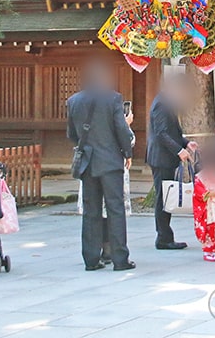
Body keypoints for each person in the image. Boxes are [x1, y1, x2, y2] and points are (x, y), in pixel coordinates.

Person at [67, 60, 136, 272]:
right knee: (115, 210)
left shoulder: (73, 101)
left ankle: (90, 259)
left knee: (91, 212)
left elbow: (71, 134)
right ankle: (119, 259)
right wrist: (128, 152)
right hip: (110, 161)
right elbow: (120, 130)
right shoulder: (113, 99)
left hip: (88, 162)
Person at [147, 73, 198, 250]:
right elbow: (161, 133)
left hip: (165, 157)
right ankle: (163, 238)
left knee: (165, 196)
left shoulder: (167, 102)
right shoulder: (161, 104)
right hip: (161, 158)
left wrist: (186, 143)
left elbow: (172, 131)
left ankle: (165, 235)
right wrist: (179, 150)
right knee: (163, 197)